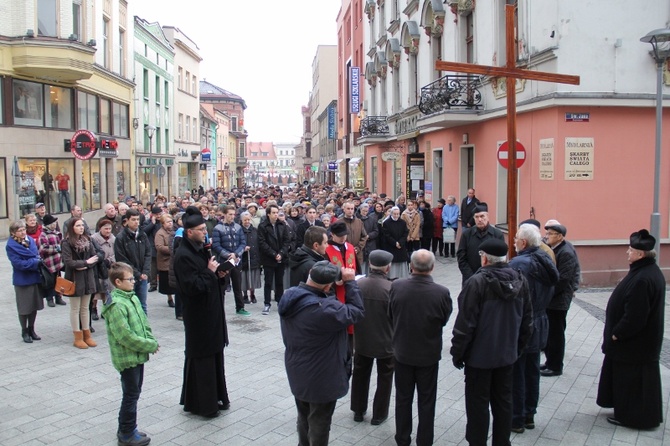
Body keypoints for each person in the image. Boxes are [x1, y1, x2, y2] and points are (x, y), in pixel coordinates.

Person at [451, 239, 533, 446]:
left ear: (485, 258)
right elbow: (527, 322)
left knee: (478, 405)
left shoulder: (476, 283)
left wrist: (458, 352)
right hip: (506, 356)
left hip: (479, 358)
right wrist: (517, 349)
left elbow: (465, 324)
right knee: (504, 402)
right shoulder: (520, 280)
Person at [279, 261, 365, 446]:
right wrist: (350, 282)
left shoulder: (290, 296)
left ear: (310, 273)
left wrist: (330, 289)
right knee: (320, 422)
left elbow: (323, 300)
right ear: (328, 286)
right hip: (322, 376)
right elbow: (356, 312)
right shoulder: (325, 310)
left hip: (298, 370)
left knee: (303, 417)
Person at [597, 229, 665, 429]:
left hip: (635, 344)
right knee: (630, 380)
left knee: (632, 382)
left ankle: (632, 416)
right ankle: (629, 411)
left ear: (640, 254)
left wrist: (618, 333)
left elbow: (636, 315)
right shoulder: (647, 271)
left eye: (630, 250)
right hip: (639, 344)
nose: (627, 253)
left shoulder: (643, 278)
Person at [389, 249, 453, 446]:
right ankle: (425, 440)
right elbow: (444, 319)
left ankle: (402, 438)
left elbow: (391, 314)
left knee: (402, 398)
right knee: (427, 400)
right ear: (432, 268)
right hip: (428, 353)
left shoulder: (397, 286)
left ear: (411, 266)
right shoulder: (442, 292)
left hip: (402, 352)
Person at [174, 206, 230, 418]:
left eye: (204, 228)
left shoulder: (202, 249)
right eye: (199, 229)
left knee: (215, 357)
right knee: (202, 359)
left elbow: (210, 276)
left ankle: (217, 397)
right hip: (199, 317)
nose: (204, 232)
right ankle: (204, 404)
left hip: (212, 313)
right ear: (189, 232)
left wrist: (220, 274)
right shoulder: (183, 255)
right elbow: (192, 287)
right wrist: (210, 272)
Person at [508, 224, 559, 432]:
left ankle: (517, 418)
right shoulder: (545, 258)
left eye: (516, 238)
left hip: (522, 324)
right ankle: (529, 414)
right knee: (532, 371)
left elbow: (512, 297)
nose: (513, 242)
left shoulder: (519, 263)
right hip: (540, 321)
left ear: (524, 242)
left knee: (517, 372)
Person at [102, 262, 159, 446]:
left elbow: (143, 322)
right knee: (131, 394)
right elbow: (125, 336)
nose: (134, 282)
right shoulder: (117, 305)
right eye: (130, 279)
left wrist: (149, 338)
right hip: (127, 357)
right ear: (118, 282)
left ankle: (129, 427)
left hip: (137, 355)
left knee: (134, 392)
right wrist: (148, 345)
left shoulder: (130, 297)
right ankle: (126, 432)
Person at [351, 250, 395, 425]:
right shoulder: (391, 288)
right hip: (386, 341)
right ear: (388, 268)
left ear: (370, 265)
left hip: (362, 340)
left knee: (360, 374)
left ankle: (358, 411)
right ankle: (379, 414)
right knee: (385, 377)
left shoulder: (358, 285)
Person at [541, 220, 581, 377]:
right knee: (550, 332)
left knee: (556, 334)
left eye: (550, 234)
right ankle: (549, 362)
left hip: (559, 300)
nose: (547, 236)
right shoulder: (555, 248)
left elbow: (563, 280)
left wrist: (548, 294)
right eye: (547, 233)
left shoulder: (566, 252)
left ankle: (556, 365)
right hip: (552, 299)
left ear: (560, 236)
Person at [61, 217, 103, 349]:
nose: (81, 227)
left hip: (88, 277)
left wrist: (86, 265)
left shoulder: (88, 240)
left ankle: (87, 334)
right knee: (75, 308)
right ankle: (77, 336)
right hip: (74, 279)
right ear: (72, 227)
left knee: (85, 308)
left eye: (82, 225)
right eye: (78, 225)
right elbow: (68, 262)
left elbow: (95, 257)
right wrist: (85, 263)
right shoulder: (66, 242)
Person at [7, 220, 44, 343]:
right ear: (13, 233)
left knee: (33, 306)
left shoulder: (30, 240)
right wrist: (34, 262)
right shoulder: (11, 246)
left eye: (24, 229)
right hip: (22, 279)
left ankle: (31, 329)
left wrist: (36, 260)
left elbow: (37, 254)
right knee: (24, 307)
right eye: (20, 230)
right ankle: (24, 331)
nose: (23, 232)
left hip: (34, 277)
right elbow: (19, 264)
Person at [212, 205, 249, 316]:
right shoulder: (217, 228)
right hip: (224, 261)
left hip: (237, 260)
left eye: (234, 214)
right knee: (222, 287)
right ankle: (220, 309)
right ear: (224, 214)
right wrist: (228, 255)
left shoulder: (238, 227)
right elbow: (216, 245)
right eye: (230, 214)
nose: (232, 217)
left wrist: (236, 254)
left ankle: (240, 307)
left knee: (238, 286)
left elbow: (243, 243)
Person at [457, 202, 505, 285]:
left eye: (482, 216)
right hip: (470, 281)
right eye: (477, 217)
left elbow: (501, 259)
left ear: (488, 217)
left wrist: (490, 277)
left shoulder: (497, 234)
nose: (479, 219)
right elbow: (461, 258)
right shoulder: (467, 234)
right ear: (474, 218)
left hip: (491, 281)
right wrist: (472, 278)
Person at [114, 209, 151, 314]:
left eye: (138, 219)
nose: (136, 222)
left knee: (142, 305)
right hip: (128, 277)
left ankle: (144, 328)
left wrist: (145, 272)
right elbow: (122, 259)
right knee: (130, 305)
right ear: (127, 221)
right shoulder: (121, 238)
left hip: (143, 276)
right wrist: (137, 274)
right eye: (133, 219)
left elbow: (148, 253)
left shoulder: (142, 235)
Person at [257, 204, 291, 315]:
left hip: (281, 257)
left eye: (277, 212)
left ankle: (280, 302)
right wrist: (273, 254)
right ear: (268, 214)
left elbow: (287, 241)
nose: (276, 215)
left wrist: (281, 253)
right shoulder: (263, 226)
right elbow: (262, 243)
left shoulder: (282, 225)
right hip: (268, 258)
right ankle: (267, 303)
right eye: (274, 213)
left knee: (279, 282)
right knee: (268, 282)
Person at [38, 214, 66, 307]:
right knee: (49, 281)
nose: (55, 224)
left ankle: (58, 297)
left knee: (58, 280)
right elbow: (43, 249)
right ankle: (50, 299)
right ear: (48, 224)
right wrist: (56, 249)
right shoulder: (43, 234)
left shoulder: (56, 232)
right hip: (49, 263)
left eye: (55, 222)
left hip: (58, 262)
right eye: (53, 222)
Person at [90, 219, 116, 318]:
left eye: (109, 229)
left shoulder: (113, 239)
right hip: (97, 268)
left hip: (109, 267)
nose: (108, 231)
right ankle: (93, 309)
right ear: (100, 228)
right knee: (96, 291)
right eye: (106, 229)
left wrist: (109, 260)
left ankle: (106, 309)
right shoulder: (93, 239)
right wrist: (100, 260)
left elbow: (115, 252)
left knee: (108, 290)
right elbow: (93, 252)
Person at [382, 206, 410, 280]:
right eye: (395, 214)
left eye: (398, 214)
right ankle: (391, 277)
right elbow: (386, 235)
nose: (396, 215)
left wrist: (400, 243)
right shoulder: (386, 223)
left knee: (401, 262)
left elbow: (405, 233)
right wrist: (395, 243)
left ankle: (401, 277)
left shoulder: (403, 222)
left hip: (401, 246)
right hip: (391, 246)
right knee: (392, 262)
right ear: (391, 214)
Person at [239, 212, 261, 304]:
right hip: (243, 257)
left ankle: (252, 294)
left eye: (248, 219)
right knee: (244, 278)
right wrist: (243, 248)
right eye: (245, 220)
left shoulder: (255, 230)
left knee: (253, 277)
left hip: (254, 256)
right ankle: (244, 295)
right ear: (241, 220)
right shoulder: (239, 230)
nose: (247, 221)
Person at [155, 214, 176, 308]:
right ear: (163, 224)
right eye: (168, 222)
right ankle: (170, 298)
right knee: (167, 283)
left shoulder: (175, 231)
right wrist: (172, 249)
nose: (170, 224)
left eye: (171, 221)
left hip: (174, 259)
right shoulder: (160, 233)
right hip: (165, 260)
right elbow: (159, 247)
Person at [341, 201, 367, 272]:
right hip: (344, 254)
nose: (350, 211)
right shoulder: (339, 222)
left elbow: (364, 236)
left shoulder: (359, 222)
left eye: (352, 209)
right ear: (344, 209)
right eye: (348, 208)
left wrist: (358, 247)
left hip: (357, 254)